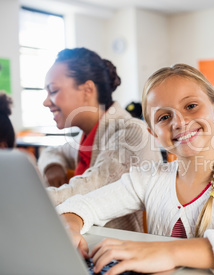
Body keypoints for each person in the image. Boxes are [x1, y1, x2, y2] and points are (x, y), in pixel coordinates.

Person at [56, 64, 214, 274]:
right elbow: (87, 204)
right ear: (153, 133)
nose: (180, 122)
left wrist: (169, 253)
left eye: (190, 106)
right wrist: (71, 223)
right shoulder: (147, 179)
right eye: (164, 117)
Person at [38, 47, 162, 232]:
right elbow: (52, 152)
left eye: (53, 91)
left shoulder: (131, 133)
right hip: (88, 240)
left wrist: (26, 198)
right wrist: (52, 165)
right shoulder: (88, 135)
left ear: (87, 90)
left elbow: (87, 192)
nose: (46, 102)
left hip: (121, 247)